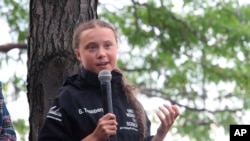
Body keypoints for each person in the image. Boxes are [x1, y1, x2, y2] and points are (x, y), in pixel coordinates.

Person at [38, 19, 180, 141]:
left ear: (116, 48)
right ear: (79, 55)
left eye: (107, 45)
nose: (101, 54)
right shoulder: (69, 97)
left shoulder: (130, 100)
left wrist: (161, 134)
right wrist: (95, 137)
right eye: (92, 47)